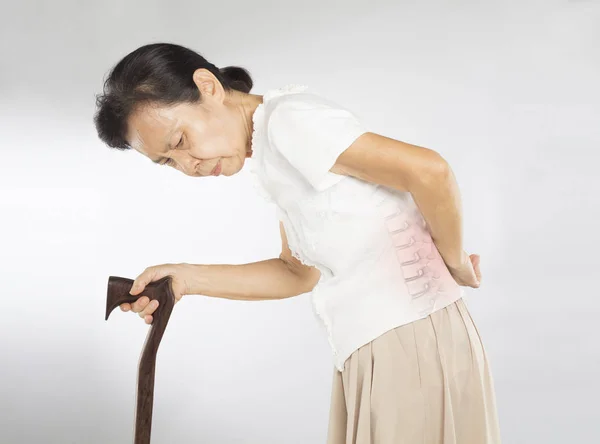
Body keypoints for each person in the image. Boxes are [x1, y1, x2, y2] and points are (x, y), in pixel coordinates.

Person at [94, 42, 501, 443]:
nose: (188, 166)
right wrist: (184, 279)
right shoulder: (272, 153)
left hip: (409, 347)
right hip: (374, 352)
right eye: (168, 162)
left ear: (208, 86)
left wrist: (455, 260)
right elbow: (296, 273)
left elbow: (429, 171)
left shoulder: (289, 123)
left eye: (180, 141)